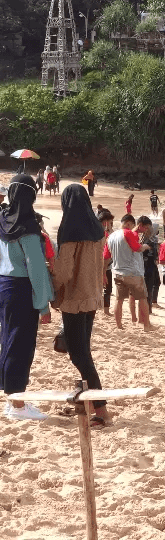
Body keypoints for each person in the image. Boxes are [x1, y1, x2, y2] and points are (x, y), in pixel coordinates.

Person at [50, 184, 112, 426]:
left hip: (75, 299)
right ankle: (86, 402)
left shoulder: (69, 229)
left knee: (78, 355)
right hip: (92, 297)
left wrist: (53, 291)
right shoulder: (97, 228)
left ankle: (102, 410)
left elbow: (63, 271)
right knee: (83, 349)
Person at [0, 174, 54, 420]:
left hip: (3, 285)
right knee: (21, 345)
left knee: (8, 341)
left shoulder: (2, 220)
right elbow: (36, 269)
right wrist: (44, 305)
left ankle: (12, 400)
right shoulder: (27, 226)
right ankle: (18, 405)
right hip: (21, 289)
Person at [106, 214, 154, 331]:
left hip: (117, 271)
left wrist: (103, 273)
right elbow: (137, 248)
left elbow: (106, 257)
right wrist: (147, 246)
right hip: (132, 272)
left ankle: (119, 325)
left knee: (119, 299)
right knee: (142, 298)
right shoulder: (128, 233)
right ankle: (146, 325)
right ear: (128, 223)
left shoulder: (111, 237)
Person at [137, 216, 161, 310]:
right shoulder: (147, 240)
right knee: (149, 287)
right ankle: (149, 307)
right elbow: (143, 252)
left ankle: (152, 303)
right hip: (147, 266)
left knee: (156, 283)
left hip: (151, 264)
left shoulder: (152, 239)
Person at [97, 209, 114, 315]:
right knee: (106, 287)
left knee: (107, 288)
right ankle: (105, 309)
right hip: (101, 264)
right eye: (109, 222)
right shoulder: (100, 233)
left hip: (106, 264)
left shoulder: (106, 232)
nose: (109, 225)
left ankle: (104, 309)